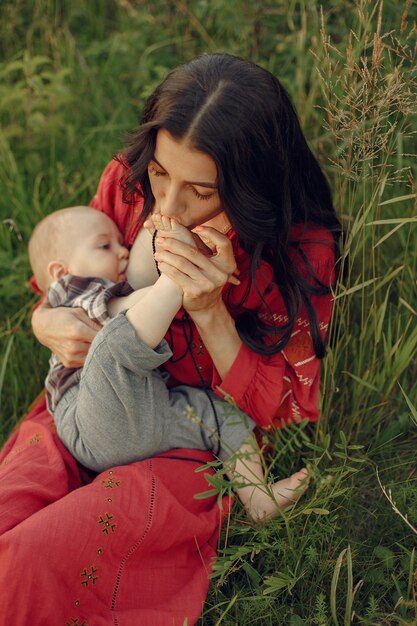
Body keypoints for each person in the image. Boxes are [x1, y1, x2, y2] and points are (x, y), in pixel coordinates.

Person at [0, 53, 340, 625]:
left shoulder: (299, 250)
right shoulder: (129, 184)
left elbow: (282, 410)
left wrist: (210, 312)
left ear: (249, 190)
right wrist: (44, 322)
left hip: (187, 439)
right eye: (162, 173)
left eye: (201, 191)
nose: (167, 206)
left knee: (34, 558)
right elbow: (69, 275)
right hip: (83, 404)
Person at [28, 204, 308, 519]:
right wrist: (175, 280)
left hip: (153, 414)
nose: (122, 252)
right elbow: (117, 311)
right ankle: (180, 276)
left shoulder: (120, 287)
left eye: (123, 243)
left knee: (218, 414)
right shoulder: (70, 291)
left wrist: (156, 237)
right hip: (90, 419)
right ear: (60, 271)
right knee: (112, 342)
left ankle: (258, 498)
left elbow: (138, 292)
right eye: (105, 246)